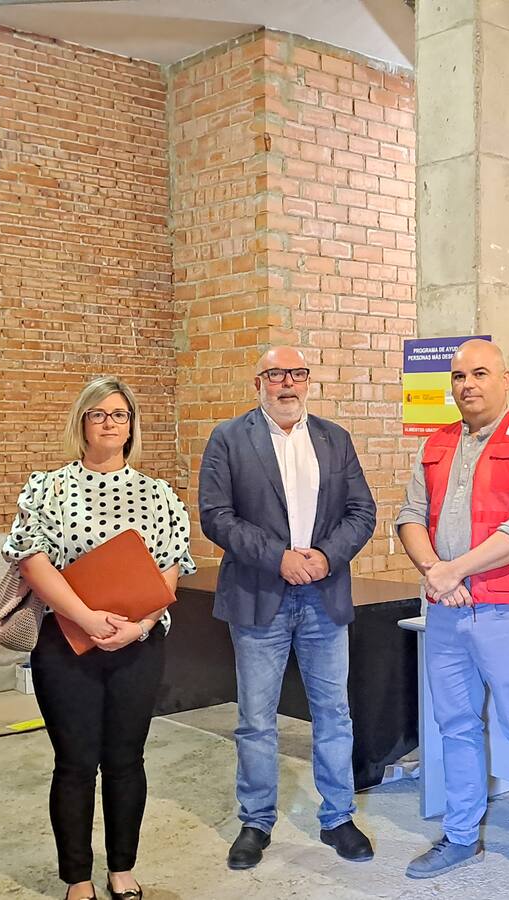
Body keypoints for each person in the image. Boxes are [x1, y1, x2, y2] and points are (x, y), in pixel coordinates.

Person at [3, 376, 195, 900]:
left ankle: (122, 869)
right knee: (75, 764)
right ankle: (77, 878)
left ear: (131, 426)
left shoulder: (159, 494)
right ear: (82, 423)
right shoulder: (49, 487)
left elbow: (170, 569)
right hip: (66, 644)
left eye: (119, 415)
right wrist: (86, 618)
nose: (109, 423)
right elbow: (33, 560)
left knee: (127, 760)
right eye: (98, 414)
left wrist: (141, 625)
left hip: (138, 645)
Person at [395, 339, 509, 897]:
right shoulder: (436, 443)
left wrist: (453, 571)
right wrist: (435, 572)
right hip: (446, 614)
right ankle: (460, 835)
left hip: (507, 610)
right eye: (458, 376)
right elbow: (409, 515)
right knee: (456, 727)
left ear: (505, 379)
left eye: (479, 374)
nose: (467, 385)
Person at [198, 346, 377, 870]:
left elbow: (362, 511)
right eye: (276, 374)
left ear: (307, 381)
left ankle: (338, 817)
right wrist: (278, 557)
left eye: (296, 374)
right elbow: (215, 516)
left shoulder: (334, 438)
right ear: (258, 383)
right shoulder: (229, 438)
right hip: (259, 596)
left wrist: (325, 556)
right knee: (256, 719)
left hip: (324, 594)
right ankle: (256, 821)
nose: (287, 384)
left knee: (334, 715)